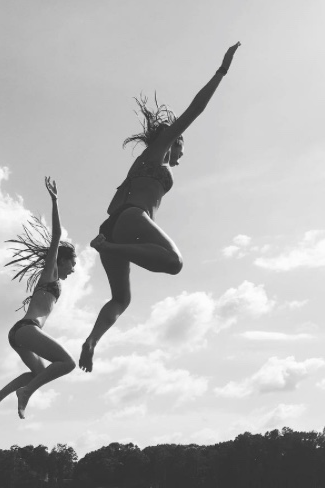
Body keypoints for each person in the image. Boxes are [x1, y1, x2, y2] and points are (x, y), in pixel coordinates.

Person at [79, 42, 241, 373]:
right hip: (130, 222)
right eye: (181, 147)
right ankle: (110, 248)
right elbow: (195, 110)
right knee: (174, 262)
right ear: (173, 141)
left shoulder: (138, 166)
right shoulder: (157, 151)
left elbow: (113, 205)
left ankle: (92, 340)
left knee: (121, 300)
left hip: (112, 225)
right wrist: (221, 71)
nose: (181, 155)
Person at [0, 177, 77, 419]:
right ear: (62, 260)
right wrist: (55, 201)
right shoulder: (50, 273)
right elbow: (56, 236)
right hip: (27, 330)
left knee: (40, 372)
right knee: (67, 363)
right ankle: (26, 392)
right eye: (73, 263)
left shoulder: (51, 281)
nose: (74, 269)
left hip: (19, 334)